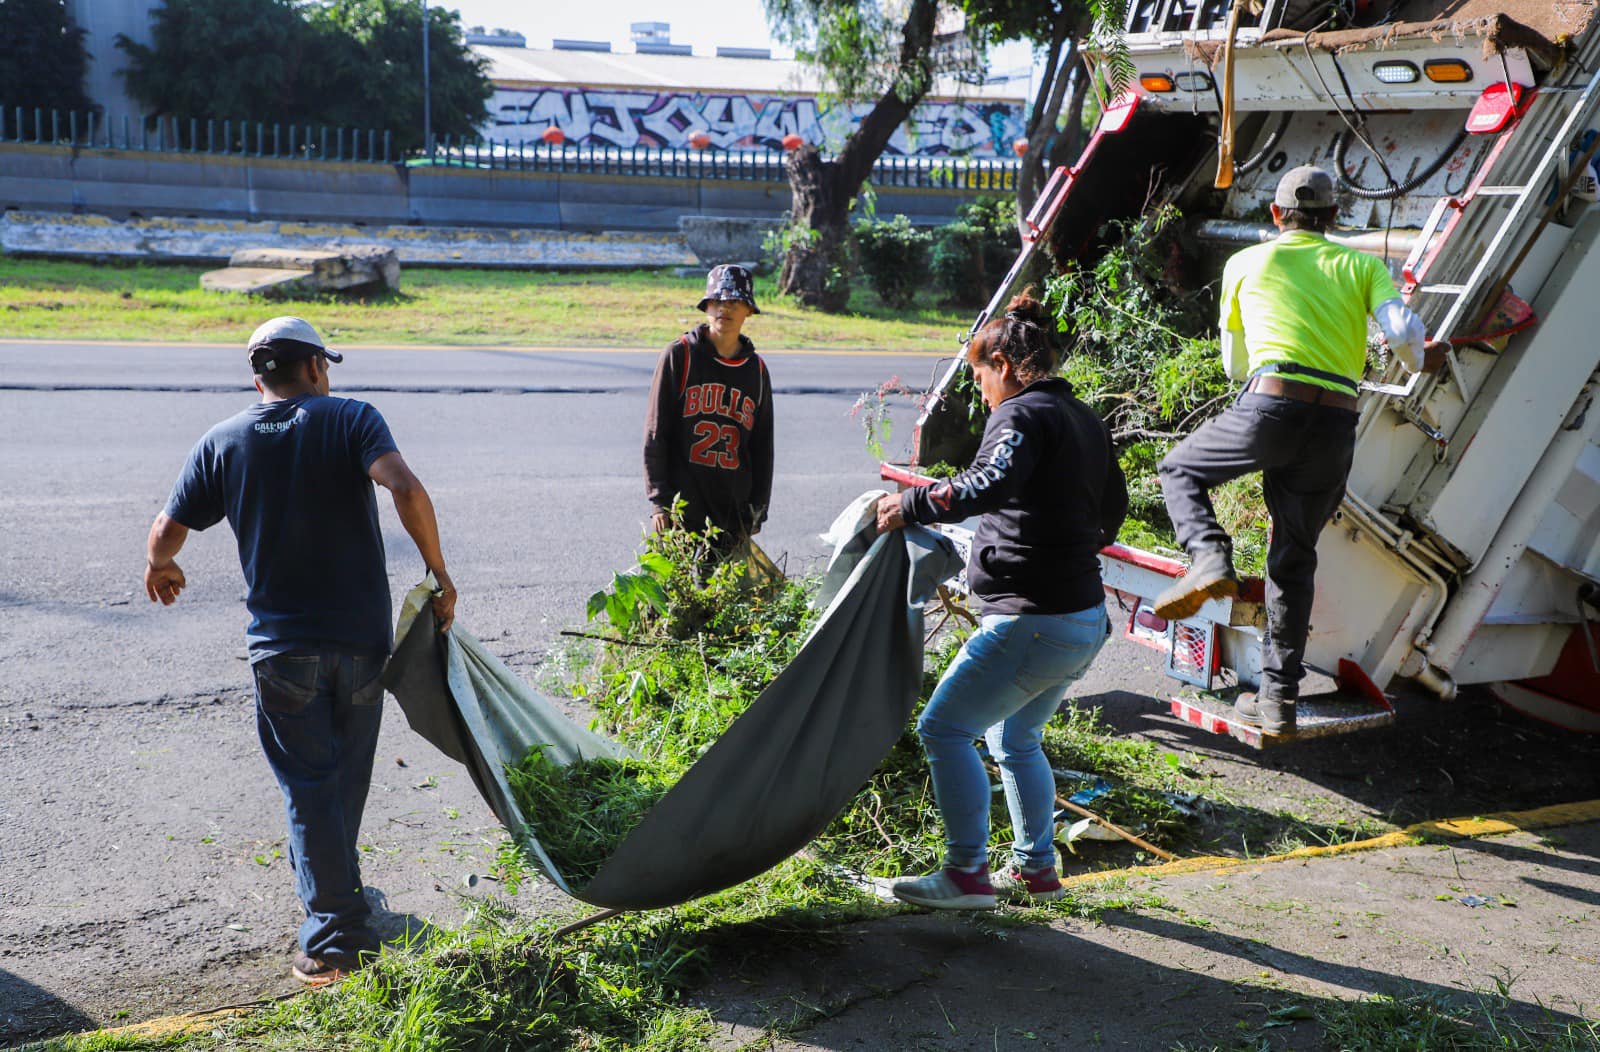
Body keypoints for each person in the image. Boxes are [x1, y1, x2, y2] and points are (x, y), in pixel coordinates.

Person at [143, 316, 456, 986]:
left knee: (312, 787)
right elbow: (403, 486)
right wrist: (439, 575)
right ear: (315, 367)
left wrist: (160, 566)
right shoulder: (350, 419)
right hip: (363, 647)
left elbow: (166, 532)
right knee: (341, 783)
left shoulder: (220, 440)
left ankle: (335, 935)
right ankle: (339, 927)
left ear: (260, 376)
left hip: (281, 653)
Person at [1153, 165, 1443, 734]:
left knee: (1179, 467)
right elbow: (1405, 334)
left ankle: (1210, 557)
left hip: (1270, 404)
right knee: (1293, 558)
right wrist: (1412, 361)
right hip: (1335, 424)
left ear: (1276, 215)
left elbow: (1234, 364)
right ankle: (1278, 704)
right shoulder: (1361, 265)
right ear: (1336, 218)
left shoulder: (1245, 263)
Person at [875, 292, 1127, 910]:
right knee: (1015, 740)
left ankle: (965, 875)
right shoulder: (1083, 418)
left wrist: (909, 504)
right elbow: (1113, 507)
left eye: (979, 375)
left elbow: (989, 482)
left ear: (1005, 366)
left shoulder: (1019, 414)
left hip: (1032, 620)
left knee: (944, 729)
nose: (980, 390)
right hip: (1081, 617)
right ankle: (1036, 869)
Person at [643, 263, 775, 550]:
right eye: (717, 301)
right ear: (706, 306)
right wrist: (659, 502)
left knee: (728, 594)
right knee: (674, 593)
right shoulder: (679, 355)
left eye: (734, 301)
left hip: (732, 513)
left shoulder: (756, 371)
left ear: (749, 310)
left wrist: (757, 509)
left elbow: (762, 447)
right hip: (681, 511)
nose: (723, 309)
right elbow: (656, 433)